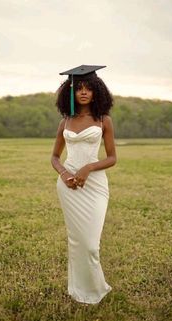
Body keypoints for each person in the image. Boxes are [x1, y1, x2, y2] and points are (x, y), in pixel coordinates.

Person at [51, 65, 117, 304]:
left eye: (89, 88)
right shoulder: (65, 122)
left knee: (91, 244)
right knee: (77, 240)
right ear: (70, 92)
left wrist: (88, 168)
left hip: (96, 186)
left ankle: (95, 288)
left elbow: (112, 158)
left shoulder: (103, 120)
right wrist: (64, 174)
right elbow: (55, 157)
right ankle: (80, 290)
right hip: (69, 188)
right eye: (79, 88)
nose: (84, 92)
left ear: (97, 91)